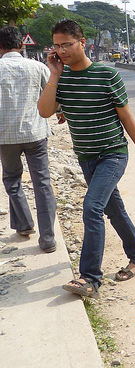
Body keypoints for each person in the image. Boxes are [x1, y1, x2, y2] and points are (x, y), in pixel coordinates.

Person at [38, 20, 135, 299]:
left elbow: (126, 116)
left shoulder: (107, 74)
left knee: (92, 207)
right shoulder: (61, 79)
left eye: (67, 44)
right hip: (86, 157)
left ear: (82, 42)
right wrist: (54, 74)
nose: (62, 50)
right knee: (113, 209)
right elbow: (44, 111)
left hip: (113, 153)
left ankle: (89, 278)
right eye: (57, 45)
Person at [0, 26, 57, 253]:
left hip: (5, 137)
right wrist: (59, 112)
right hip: (35, 134)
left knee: (12, 180)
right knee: (42, 183)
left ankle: (24, 225)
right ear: (22, 44)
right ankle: (48, 239)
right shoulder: (38, 67)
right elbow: (53, 94)